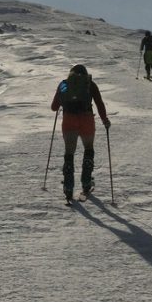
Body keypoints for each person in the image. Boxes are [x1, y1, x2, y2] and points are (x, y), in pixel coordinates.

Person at [50, 64, 111, 202]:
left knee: (69, 153)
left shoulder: (64, 84)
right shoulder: (90, 84)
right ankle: (86, 182)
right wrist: (105, 120)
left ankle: (68, 186)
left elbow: (54, 107)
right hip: (87, 119)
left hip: (69, 120)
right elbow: (99, 103)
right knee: (88, 149)